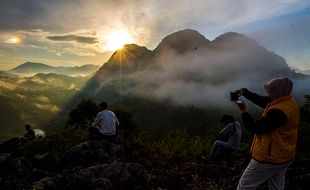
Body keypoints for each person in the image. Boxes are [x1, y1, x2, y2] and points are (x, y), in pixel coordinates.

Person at [234, 77, 299, 190]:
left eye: (270, 91)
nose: (268, 93)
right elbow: (264, 101)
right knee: (276, 187)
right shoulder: (287, 102)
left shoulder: (279, 112)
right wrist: (244, 92)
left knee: (244, 186)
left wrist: (244, 112)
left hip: (269, 158)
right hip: (284, 155)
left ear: (278, 91)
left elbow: (256, 128)